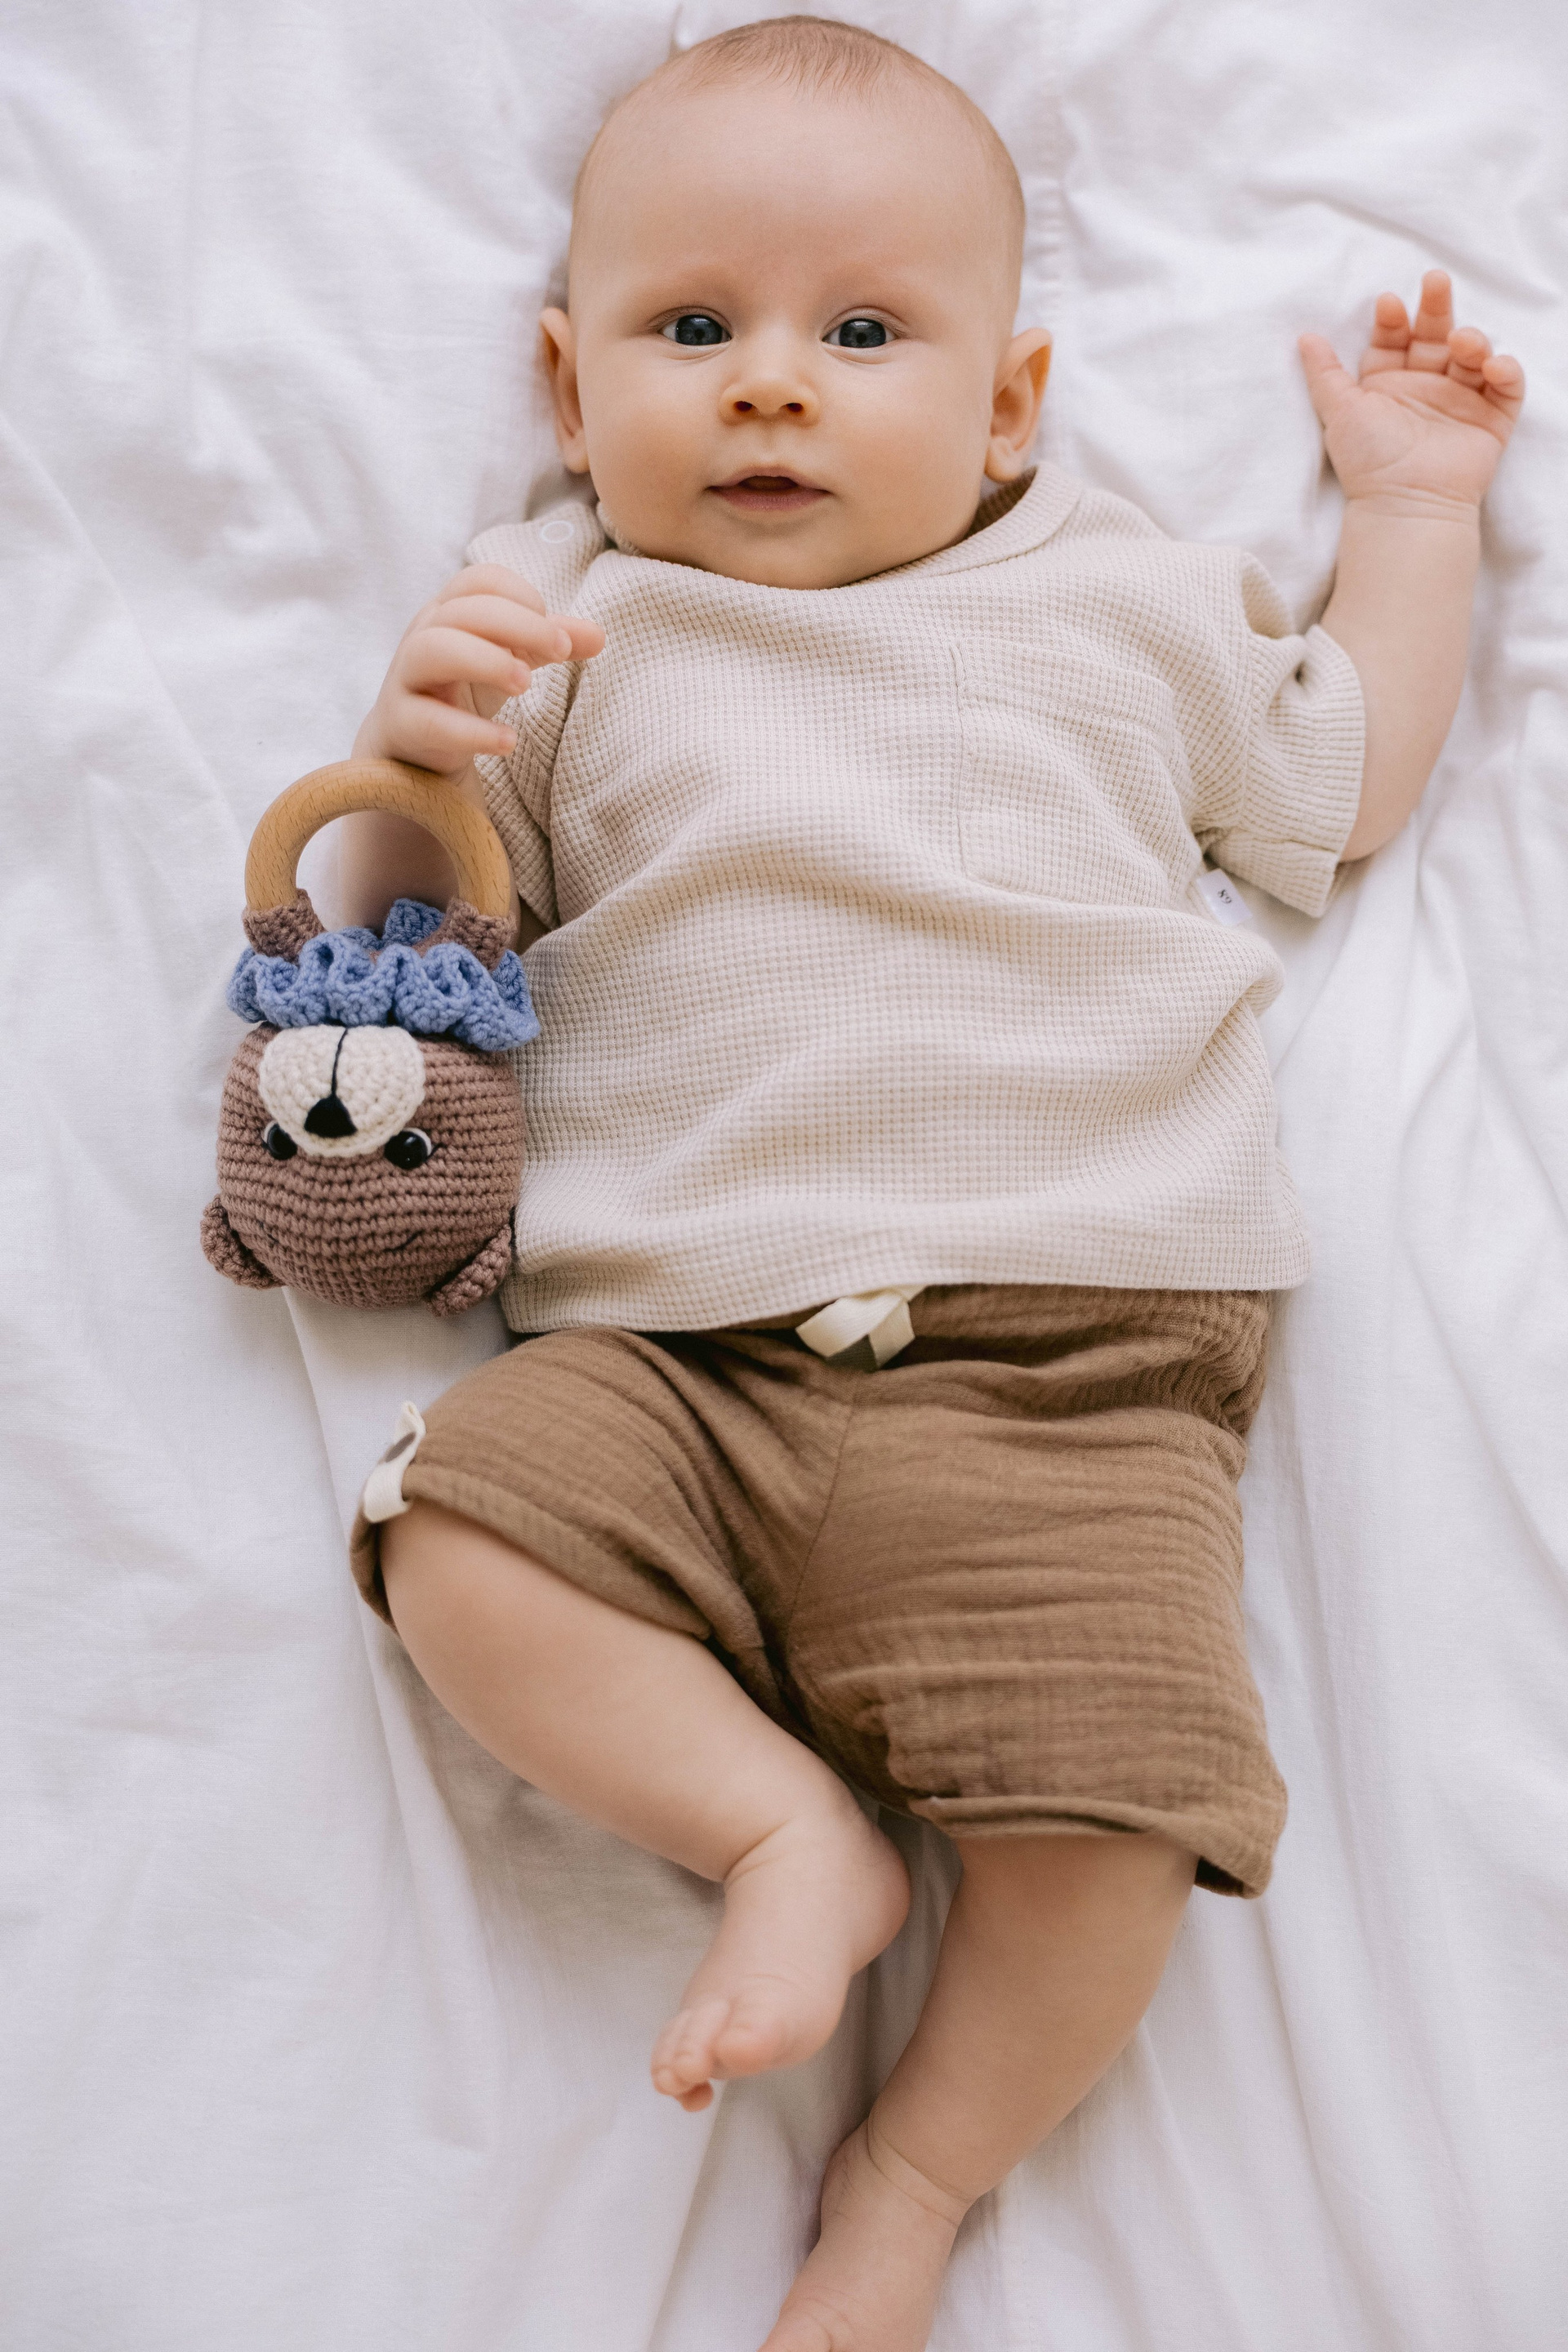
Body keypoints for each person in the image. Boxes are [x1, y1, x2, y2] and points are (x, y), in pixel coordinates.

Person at [341, 20, 1524, 2349]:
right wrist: (404, 755)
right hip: (672, 1356)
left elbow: (1348, 786)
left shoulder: (1128, 596)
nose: (772, 385)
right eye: (694, 328)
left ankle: (911, 2178)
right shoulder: (560, 621)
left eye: (865, 334)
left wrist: (1411, 517)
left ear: (1009, 405)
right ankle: (778, 1833)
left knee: (1119, 1813)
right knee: (452, 1535)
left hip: (1062, 1359)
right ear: (568, 390)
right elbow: (410, 952)